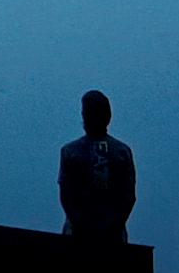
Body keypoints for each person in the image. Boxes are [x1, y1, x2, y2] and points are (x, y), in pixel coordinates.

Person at [58, 89, 137, 243]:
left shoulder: (70, 152)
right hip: (111, 237)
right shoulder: (122, 152)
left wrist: (82, 224)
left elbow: (66, 196)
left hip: (79, 236)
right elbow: (128, 197)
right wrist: (111, 225)